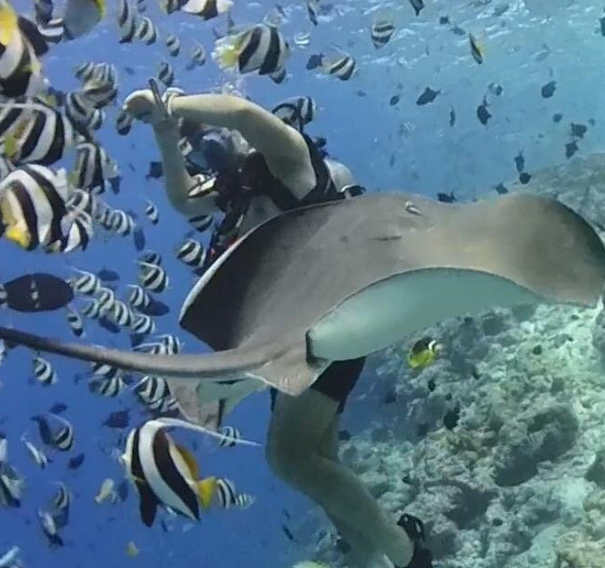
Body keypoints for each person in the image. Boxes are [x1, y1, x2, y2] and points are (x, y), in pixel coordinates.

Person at [122, 87, 433, 568]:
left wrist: (174, 105)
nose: (206, 140)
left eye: (211, 127)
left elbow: (243, 113)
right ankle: (363, 554)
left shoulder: (290, 160)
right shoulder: (235, 193)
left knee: (288, 458)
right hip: (287, 337)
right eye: (198, 137)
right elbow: (184, 200)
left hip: (333, 322)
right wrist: (166, 134)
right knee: (319, 457)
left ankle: (406, 551)